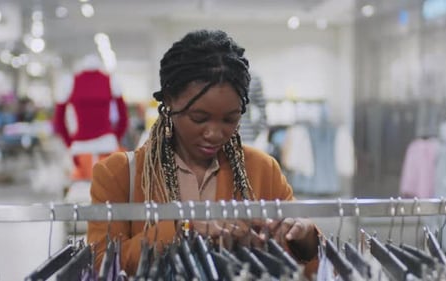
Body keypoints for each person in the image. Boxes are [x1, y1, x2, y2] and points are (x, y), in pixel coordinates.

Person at [87, 29, 320, 277]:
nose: (215, 134)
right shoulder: (119, 174)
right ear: (169, 101)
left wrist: (304, 236)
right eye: (199, 118)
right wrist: (181, 228)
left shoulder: (262, 169)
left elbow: (311, 265)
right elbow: (100, 264)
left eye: (230, 119)